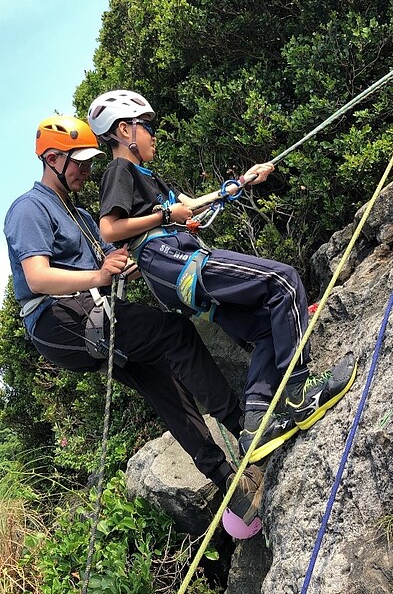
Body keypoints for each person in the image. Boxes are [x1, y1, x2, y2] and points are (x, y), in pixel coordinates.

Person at [4, 115, 270, 526]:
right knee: (176, 334)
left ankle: (233, 488)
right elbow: (38, 276)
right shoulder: (30, 208)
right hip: (56, 319)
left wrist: (230, 188)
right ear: (53, 158)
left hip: (87, 312)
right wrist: (99, 275)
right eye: (79, 162)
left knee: (162, 379)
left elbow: (134, 238)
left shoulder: (83, 219)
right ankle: (244, 425)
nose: (88, 171)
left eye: (91, 162)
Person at [87, 90, 358, 463]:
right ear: (124, 130)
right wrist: (166, 217)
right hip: (171, 259)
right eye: (146, 127)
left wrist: (244, 181)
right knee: (282, 282)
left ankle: (256, 424)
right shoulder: (122, 170)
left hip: (174, 267)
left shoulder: (149, 177)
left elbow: (191, 205)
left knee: (263, 327)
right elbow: (110, 228)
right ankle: (299, 392)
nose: (153, 135)